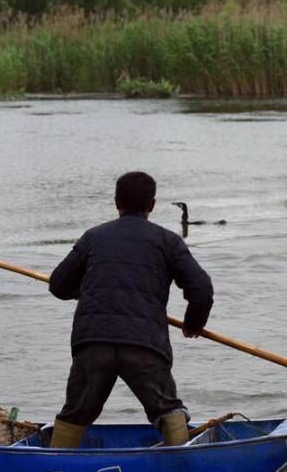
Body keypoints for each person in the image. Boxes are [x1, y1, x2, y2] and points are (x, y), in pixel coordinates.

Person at [47, 171, 214, 448]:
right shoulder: (168, 241)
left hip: (93, 344)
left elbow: (58, 285)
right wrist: (192, 324)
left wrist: (86, 291)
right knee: (167, 408)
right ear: (152, 205)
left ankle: (52, 466)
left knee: (75, 413)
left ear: (116, 203)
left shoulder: (93, 237)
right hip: (143, 344)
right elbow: (202, 290)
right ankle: (182, 469)